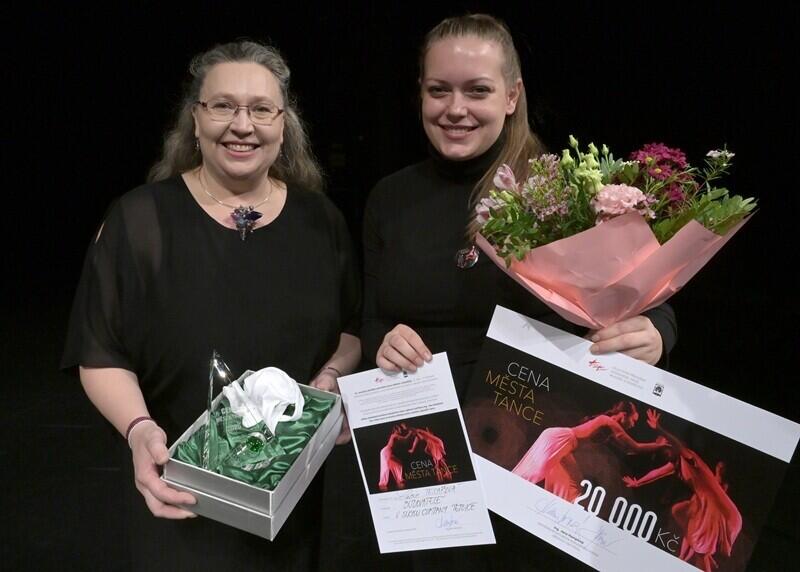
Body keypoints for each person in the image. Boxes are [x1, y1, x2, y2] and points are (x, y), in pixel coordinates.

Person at [320, 13, 676, 572]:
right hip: (422, 460)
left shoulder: (562, 190)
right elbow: (370, 319)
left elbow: (649, 301)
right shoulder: (389, 198)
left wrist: (657, 331)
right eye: (439, 90)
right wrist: (382, 341)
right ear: (420, 94)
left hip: (526, 466)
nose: (455, 109)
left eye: (477, 91)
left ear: (512, 96)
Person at [61, 40, 360, 571]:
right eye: (222, 105)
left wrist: (333, 375)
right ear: (195, 120)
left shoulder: (323, 224)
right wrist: (139, 430)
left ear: (284, 123)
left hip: (292, 500)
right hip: (178, 496)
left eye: (261, 109)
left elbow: (351, 332)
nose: (241, 125)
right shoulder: (139, 221)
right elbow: (99, 351)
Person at [623, 409, 742, 572]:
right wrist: (638, 483)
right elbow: (656, 473)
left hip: (722, 512)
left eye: (665, 445)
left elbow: (678, 444)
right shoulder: (676, 465)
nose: (662, 449)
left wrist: (659, 428)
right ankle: (695, 554)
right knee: (681, 511)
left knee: (698, 543)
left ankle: (700, 555)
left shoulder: (689, 458)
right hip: (708, 508)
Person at [512, 401, 667, 501]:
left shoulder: (609, 429)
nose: (633, 425)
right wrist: (660, 444)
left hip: (566, 447)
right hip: (560, 439)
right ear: (624, 414)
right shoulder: (608, 421)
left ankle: (554, 509)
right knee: (531, 474)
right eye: (633, 420)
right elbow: (636, 447)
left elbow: (630, 451)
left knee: (573, 484)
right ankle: (506, 493)